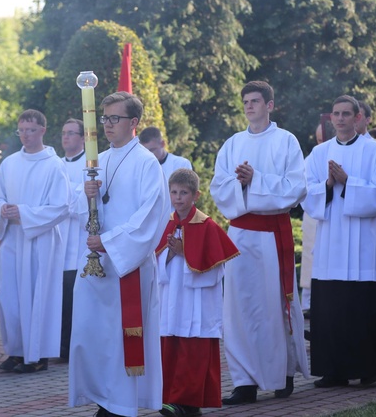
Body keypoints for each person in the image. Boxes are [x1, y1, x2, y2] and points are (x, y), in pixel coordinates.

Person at [69, 92, 170, 417]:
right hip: (97, 268)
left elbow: (150, 217)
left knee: (120, 339)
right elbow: (78, 208)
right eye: (105, 118)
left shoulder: (145, 163)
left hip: (128, 267)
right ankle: (104, 398)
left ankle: (121, 406)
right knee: (92, 335)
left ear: (134, 123)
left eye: (115, 118)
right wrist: (86, 197)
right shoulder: (98, 159)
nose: (107, 125)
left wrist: (109, 241)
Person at [210, 80, 309, 404]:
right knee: (238, 309)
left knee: (272, 307)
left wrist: (257, 180)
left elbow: (296, 188)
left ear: (270, 105)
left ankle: (283, 373)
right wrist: (238, 184)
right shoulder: (233, 144)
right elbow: (218, 186)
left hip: (270, 236)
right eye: (245, 101)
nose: (249, 106)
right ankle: (244, 382)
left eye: (255, 101)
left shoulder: (286, 141)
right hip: (239, 235)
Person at [302, 95, 376, 388]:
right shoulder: (319, 154)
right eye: (336, 114)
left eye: (347, 113)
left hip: (362, 246)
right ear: (330, 118)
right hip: (331, 244)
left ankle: (367, 367)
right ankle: (333, 370)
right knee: (331, 310)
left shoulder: (374, 151)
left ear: (358, 117)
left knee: (360, 307)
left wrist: (349, 181)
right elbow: (307, 195)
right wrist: (328, 186)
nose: (341, 119)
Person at [155, 169, 240, 417]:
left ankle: (188, 403)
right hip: (172, 300)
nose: (178, 198)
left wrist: (185, 252)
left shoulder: (207, 225)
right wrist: (168, 255)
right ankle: (172, 399)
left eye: (184, 193)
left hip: (196, 303)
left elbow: (215, 270)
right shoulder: (167, 223)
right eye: (174, 192)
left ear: (196, 195)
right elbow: (157, 265)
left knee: (192, 352)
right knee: (171, 347)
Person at [0, 109, 70, 373]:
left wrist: (24, 213)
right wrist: (1, 210)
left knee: (38, 296)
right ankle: (16, 351)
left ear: (43, 131)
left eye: (30, 130)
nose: (25, 135)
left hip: (40, 241)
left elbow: (61, 206)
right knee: (10, 297)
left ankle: (38, 356)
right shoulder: (11, 163)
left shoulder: (53, 164)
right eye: (21, 130)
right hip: (12, 238)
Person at [58, 118, 86, 360]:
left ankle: (74, 346)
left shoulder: (91, 165)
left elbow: (80, 202)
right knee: (59, 300)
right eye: (64, 133)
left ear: (83, 137)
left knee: (75, 298)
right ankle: (59, 345)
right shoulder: (54, 165)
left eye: (71, 133)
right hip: (57, 242)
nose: (66, 137)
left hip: (79, 243)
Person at [300, 123, 325, 315]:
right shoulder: (312, 158)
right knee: (310, 255)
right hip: (314, 212)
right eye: (318, 139)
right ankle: (308, 302)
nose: (321, 142)